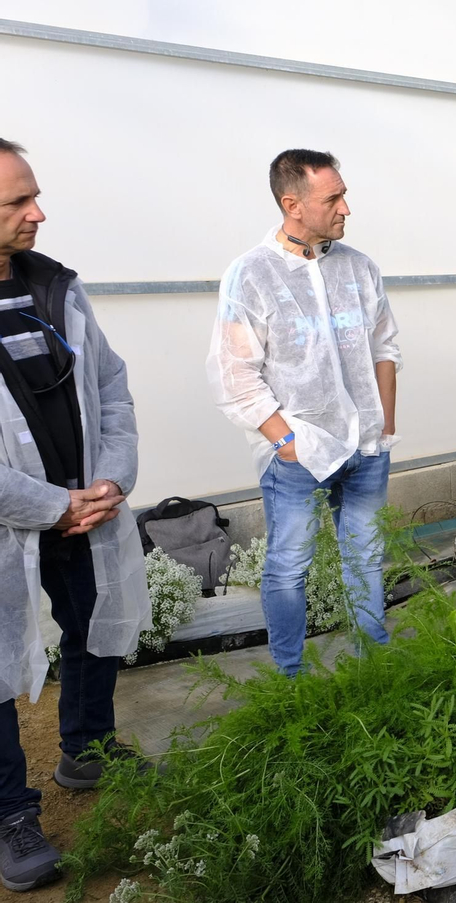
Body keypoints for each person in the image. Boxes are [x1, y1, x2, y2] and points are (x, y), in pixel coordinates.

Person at [0, 138, 151, 891]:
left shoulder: (56, 287)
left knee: (96, 624)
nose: (39, 213)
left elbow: (112, 385)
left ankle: (87, 746)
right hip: (13, 527)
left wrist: (111, 480)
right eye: (17, 203)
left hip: (86, 512)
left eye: (33, 195)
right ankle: (9, 813)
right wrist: (52, 506)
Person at [207, 149, 401, 677]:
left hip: (365, 447)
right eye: (333, 197)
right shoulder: (251, 275)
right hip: (296, 453)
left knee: (364, 558)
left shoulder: (359, 268)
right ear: (292, 204)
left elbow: (385, 348)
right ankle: (291, 680)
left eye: (343, 193)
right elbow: (234, 372)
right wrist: (284, 440)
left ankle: (374, 666)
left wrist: (384, 425)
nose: (346, 208)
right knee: (289, 567)